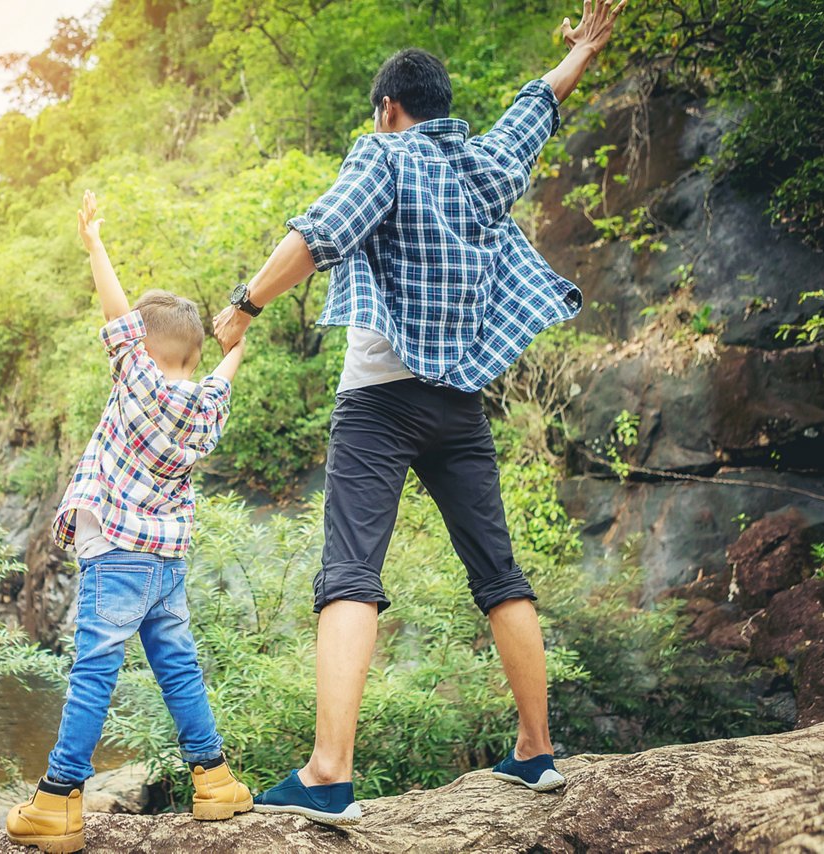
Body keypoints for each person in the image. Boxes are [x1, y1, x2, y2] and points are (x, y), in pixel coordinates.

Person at [211, 0, 628, 826]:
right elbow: (535, 106)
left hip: (376, 404)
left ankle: (330, 771)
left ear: (388, 110)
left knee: (349, 576)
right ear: (440, 107)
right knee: (498, 572)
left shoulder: (386, 155)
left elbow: (322, 231)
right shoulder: (483, 164)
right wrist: (581, 50)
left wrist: (244, 305)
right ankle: (537, 751)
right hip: (458, 408)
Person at [6, 191, 251, 854]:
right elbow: (224, 375)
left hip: (114, 553)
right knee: (179, 667)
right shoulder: (203, 407)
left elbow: (117, 313)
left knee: (93, 671)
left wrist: (95, 244)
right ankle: (215, 782)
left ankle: (58, 801)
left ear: (138, 349)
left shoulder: (137, 381)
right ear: (194, 357)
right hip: (167, 565)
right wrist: (238, 340)